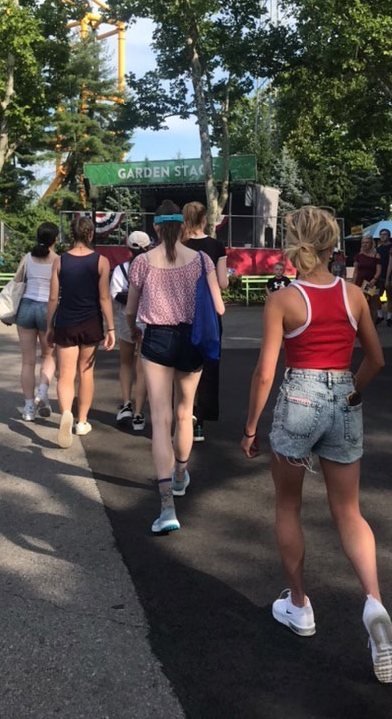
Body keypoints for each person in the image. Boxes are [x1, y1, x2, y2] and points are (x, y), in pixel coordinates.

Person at [241, 206, 392, 684]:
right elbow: (376, 360)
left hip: (299, 398)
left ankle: (299, 606)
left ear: (294, 245)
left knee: (288, 507)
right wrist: (352, 393)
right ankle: (374, 602)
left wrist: (250, 427)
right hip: (343, 397)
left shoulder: (283, 300)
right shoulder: (354, 295)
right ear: (334, 246)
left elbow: (265, 373)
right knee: (349, 512)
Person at [125, 200, 225, 534]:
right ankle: (181, 474)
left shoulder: (142, 261)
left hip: (156, 338)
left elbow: (131, 309)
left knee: (160, 419)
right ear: (182, 226)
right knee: (185, 413)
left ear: (155, 227)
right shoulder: (202, 260)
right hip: (192, 339)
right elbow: (220, 308)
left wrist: (134, 329)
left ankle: (166, 506)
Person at [46, 216, 115, 447]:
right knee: (86, 372)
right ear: (91, 234)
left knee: (66, 375)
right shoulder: (101, 261)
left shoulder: (60, 261)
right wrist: (111, 327)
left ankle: (66, 412)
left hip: (66, 321)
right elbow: (104, 297)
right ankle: (82, 421)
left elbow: (53, 298)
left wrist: (49, 326)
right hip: (91, 322)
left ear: (72, 235)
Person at [182, 201, 229, 442]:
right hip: (209, 313)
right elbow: (222, 283)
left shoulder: (179, 245)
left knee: (183, 368)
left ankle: (184, 415)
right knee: (208, 366)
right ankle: (200, 421)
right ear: (204, 220)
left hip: (182, 313)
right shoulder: (215, 246)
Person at [14, 222, 59, 422]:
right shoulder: (58, 260)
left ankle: (29, 407)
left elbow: (16, 282)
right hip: (47, 309)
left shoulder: (27, 258)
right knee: (49, 356)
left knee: (27, 361)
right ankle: (43, 390)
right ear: (55, 239)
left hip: (26, 307)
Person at [111, 230, 151, 432]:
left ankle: (126, 403)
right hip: (147, 321)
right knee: (142, 368)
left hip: (126, 319)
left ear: (128, 249)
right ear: (149, 247)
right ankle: (138, 413)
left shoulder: (121, 269)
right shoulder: (153, 267)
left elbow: (115, 294)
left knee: (125, 362)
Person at [352, 234, 382, 324]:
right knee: (361, 304)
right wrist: (353, 284)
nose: (365, 244)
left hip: (370, 283)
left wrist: (374, 279)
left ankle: (373, 324)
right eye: (363, 243)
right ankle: (363, 324)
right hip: (360, 282)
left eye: (367, 243)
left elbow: (379, 271)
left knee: (373, 304)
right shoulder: (358, 256)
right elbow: (356, 271)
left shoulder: (376, 256)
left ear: (371, 244)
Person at [375, 229, 392, 326]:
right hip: (379, 275)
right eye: (381, 234)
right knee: (375, 296)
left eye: (385, 234)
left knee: (389, 297)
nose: (383, 236)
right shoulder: (378, 249)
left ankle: (389, 317)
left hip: (390, 276)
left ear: (389, 236)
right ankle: (380, 315)